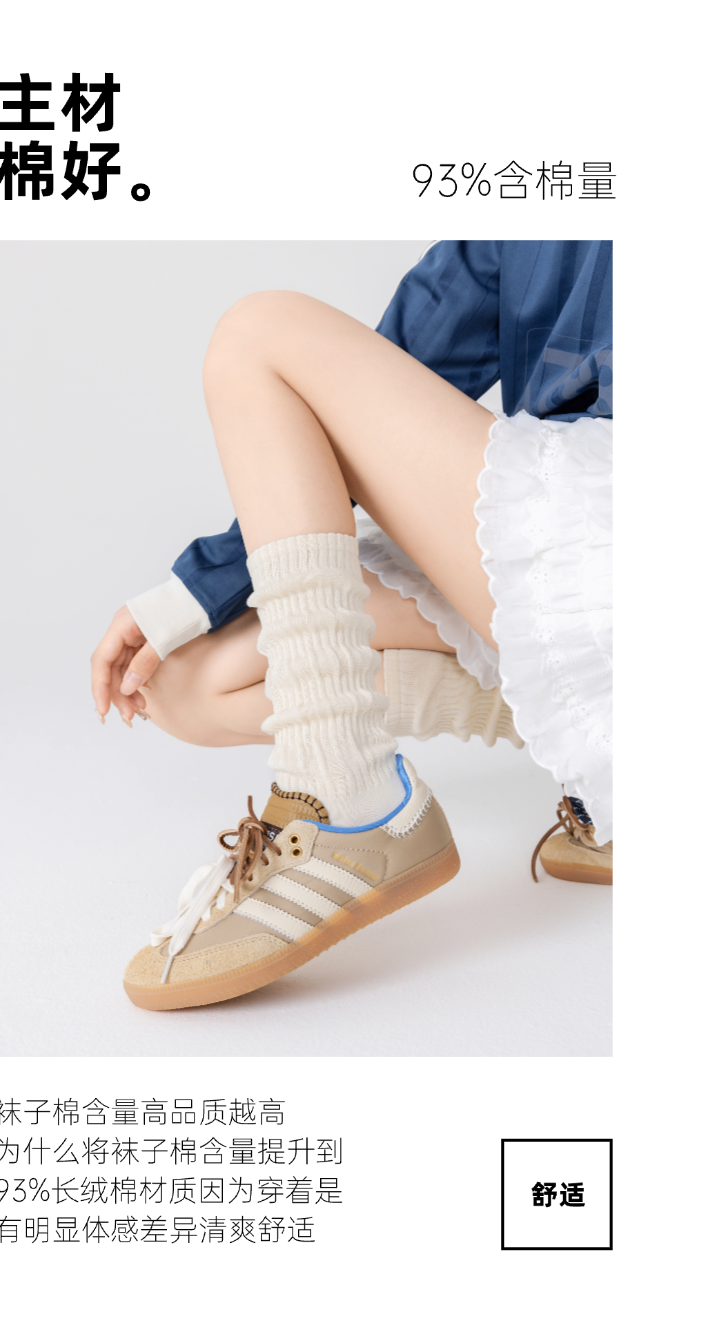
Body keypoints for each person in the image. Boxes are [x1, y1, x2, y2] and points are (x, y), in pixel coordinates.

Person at [90, 240, 613, 1010]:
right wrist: (194, 592)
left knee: (258, 334)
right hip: (577, 541)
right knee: (185, 681)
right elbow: (408, 364)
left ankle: (344, 799)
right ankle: (604, 769)